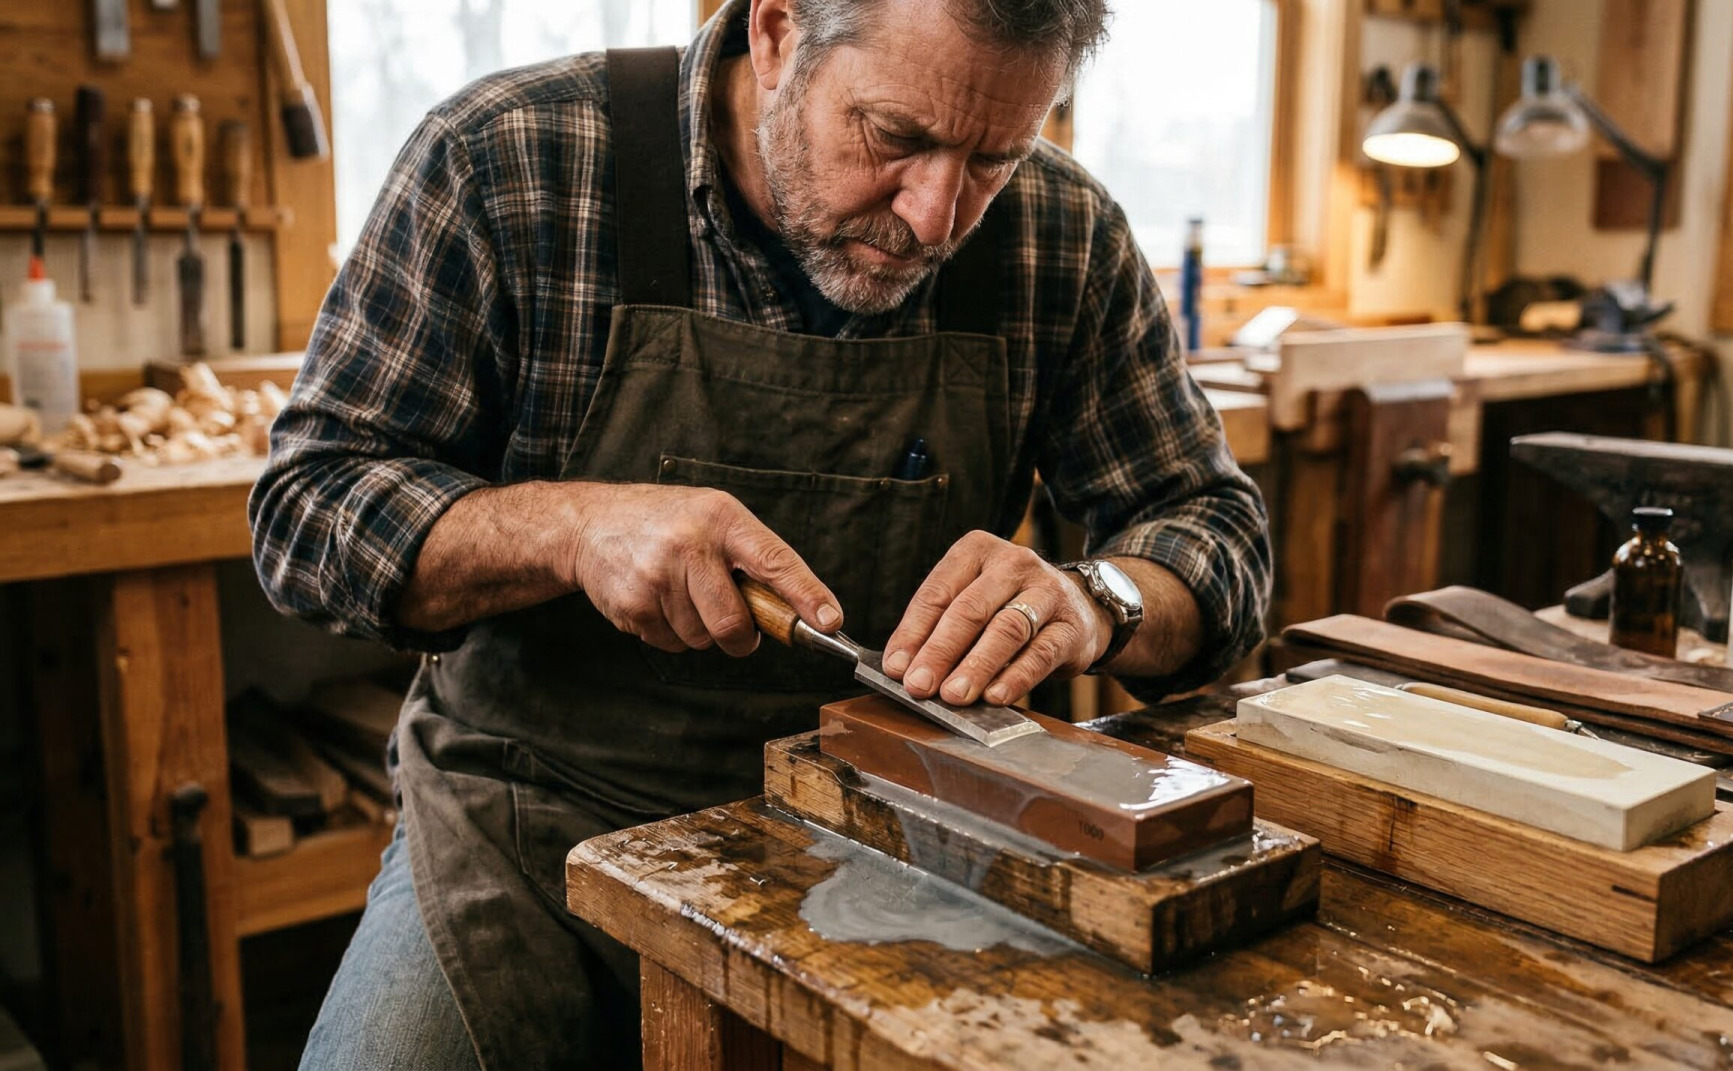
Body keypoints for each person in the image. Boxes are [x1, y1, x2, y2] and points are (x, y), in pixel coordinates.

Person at [251, 0, 1270, 1065]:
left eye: (992, 159)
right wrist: (571, 527)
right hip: (536, 822)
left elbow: (1218, 537)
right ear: (778, 33)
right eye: (897, 139)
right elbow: (307, 514)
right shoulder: (509, 158)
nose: (934, 217)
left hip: (906, 835)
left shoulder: (1062, 235)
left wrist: (1096, 601)